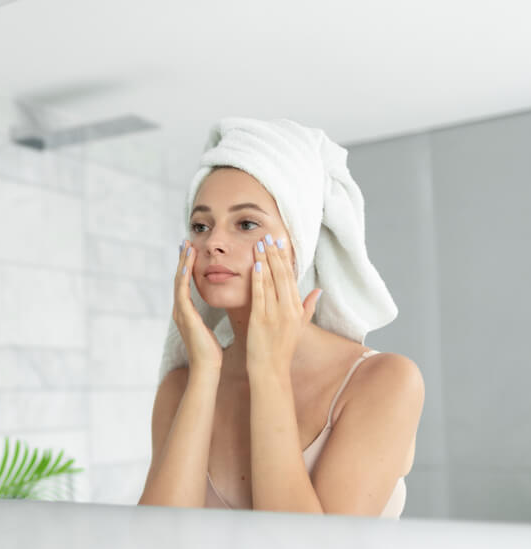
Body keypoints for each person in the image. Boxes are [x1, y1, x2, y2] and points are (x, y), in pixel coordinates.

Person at [139, 118, 423, 516]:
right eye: (200, 225)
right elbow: (156, 547)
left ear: (298, 242)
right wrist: (204, 372)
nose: (212, 243)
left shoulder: (383, 382)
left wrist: (269, 371)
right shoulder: (179, 387)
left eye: (246, 223)